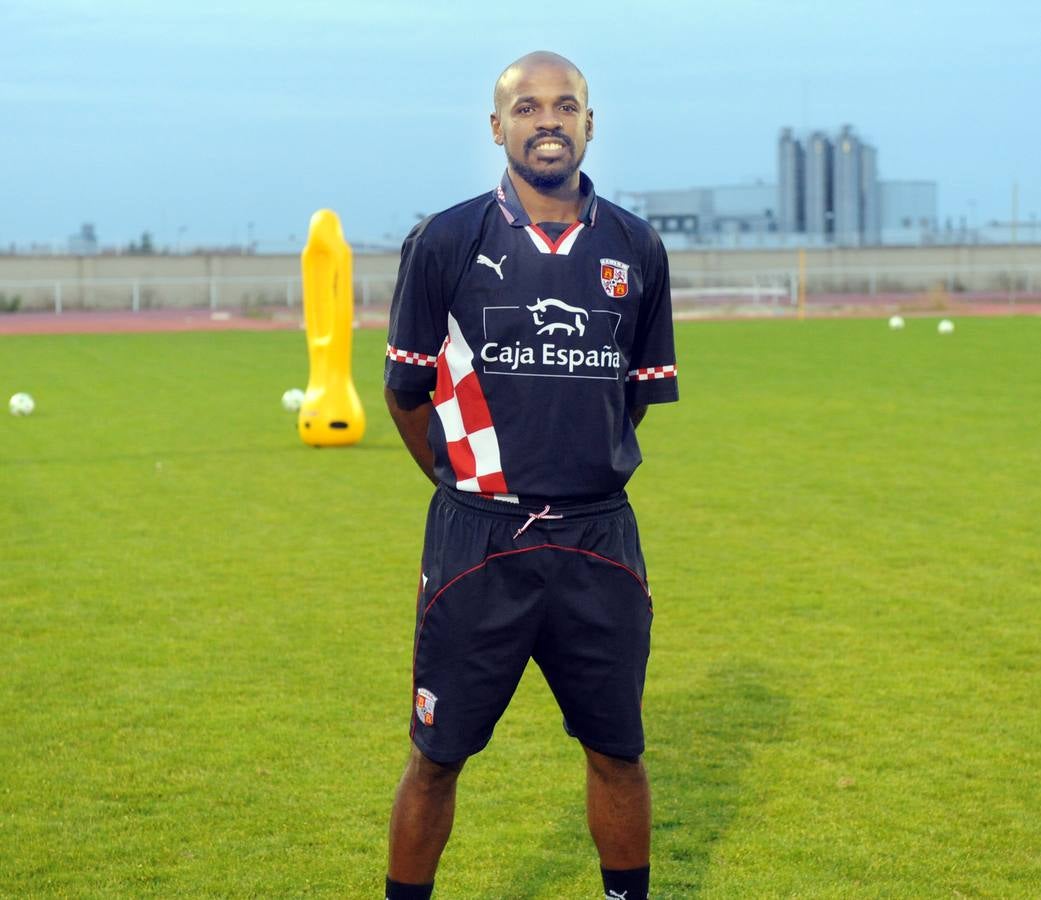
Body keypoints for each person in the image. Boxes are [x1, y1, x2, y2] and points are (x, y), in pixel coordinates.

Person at [382, 50, 678, 900]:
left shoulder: (635, 245)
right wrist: (463, 481)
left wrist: (573, 461)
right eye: (527, 107)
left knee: (617, 750)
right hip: (479, 540)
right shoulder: (446, 239)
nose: (546, 120)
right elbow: (407, 391)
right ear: (497, 126)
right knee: (436, 759)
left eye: (565, 106)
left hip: (598, 535)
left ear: (589, 123)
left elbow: (635, 400)